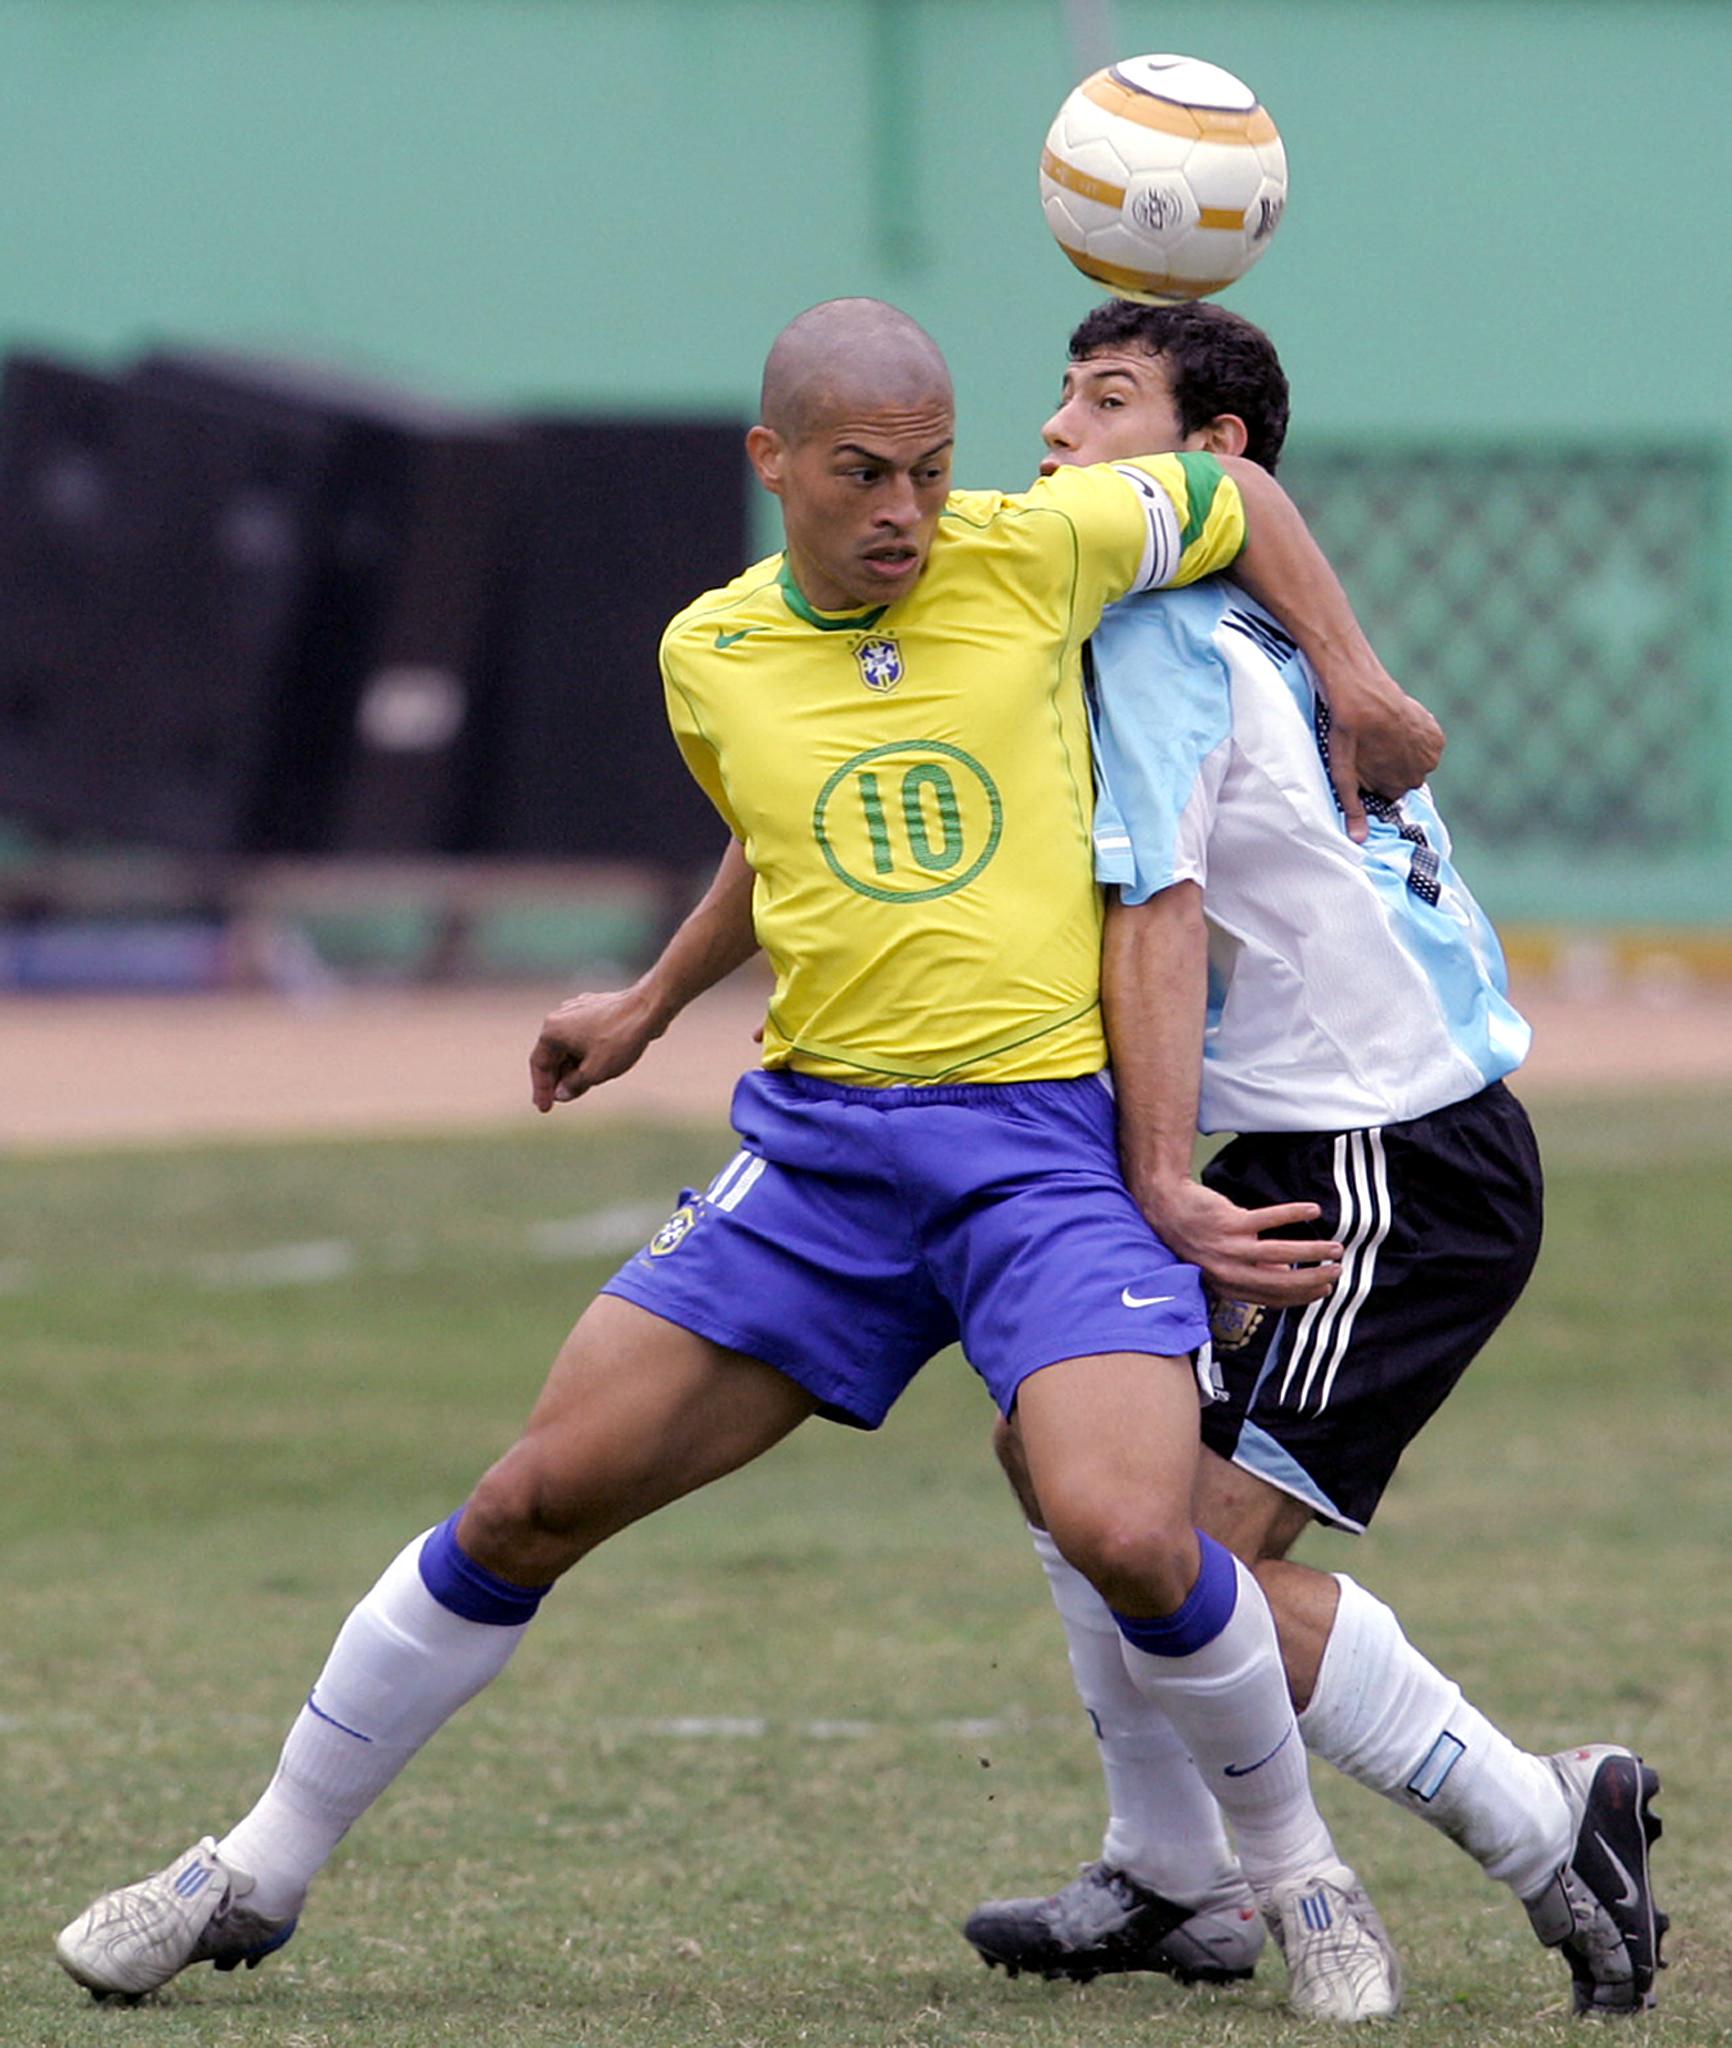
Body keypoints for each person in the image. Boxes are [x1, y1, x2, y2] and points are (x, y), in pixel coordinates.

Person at [55, 299, 1436, 2024]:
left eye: (931, 473)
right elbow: (775, 842)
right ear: (772, 462)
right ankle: (249, 1868)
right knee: (527, 1499)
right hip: (826, 1163)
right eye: (864, 475)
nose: (907, 514)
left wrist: (1363, 682)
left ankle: (1299, 1881)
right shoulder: (709, 654)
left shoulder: (1041, 548)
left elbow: (1251, 509)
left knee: (1130, 1531)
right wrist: (647, 998)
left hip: (1038, 1156)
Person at [957, 298, 1665, 2019]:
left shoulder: (1154, 640)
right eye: (1055, 394)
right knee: (1056, 1452)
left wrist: (1148, 1172)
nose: (1054, 429)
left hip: (1386, 1163)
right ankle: (1176, 1874)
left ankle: (1542, 1816)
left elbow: (1164, 913)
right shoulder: (1253, 623)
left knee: (1177, 1546)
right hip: (1355, 1130)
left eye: (1103, 399)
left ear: (1213, 463)